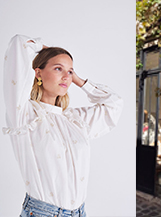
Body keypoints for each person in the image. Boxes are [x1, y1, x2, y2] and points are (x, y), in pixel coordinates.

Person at [2, 34, 123, 216]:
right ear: (38, 72)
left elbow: (114, 104)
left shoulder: (73, 120)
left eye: (70, 71)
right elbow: (19, 43)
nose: (66, 76)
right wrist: (46, 49)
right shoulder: (24, 115)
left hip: (80, 212)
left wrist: (78, 80)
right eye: (58, 69)